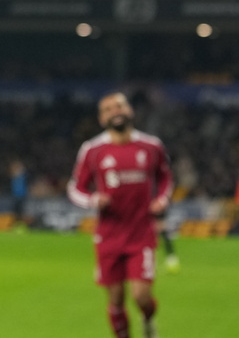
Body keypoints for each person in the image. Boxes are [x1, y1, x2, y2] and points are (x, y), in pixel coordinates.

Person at [67, 92, 174, 338]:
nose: (115, 111)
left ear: (130, 111)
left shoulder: (151, 146)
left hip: (141, 232)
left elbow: (166, 177)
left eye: (119, 106)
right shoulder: (92, 150)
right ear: (101, 118)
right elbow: (75, 189)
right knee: (115, 300)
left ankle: (148, 321)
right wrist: (94, 199)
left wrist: (162, 199)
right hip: (109, 236)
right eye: (108, 109)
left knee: (141, 296)